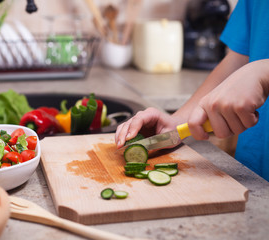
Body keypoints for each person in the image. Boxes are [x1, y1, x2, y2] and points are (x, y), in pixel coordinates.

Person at [115, 0, 269, 182]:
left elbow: (255, 68)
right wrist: (179, 122)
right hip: (253, 170)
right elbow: (241, 58)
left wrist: (264, 71)